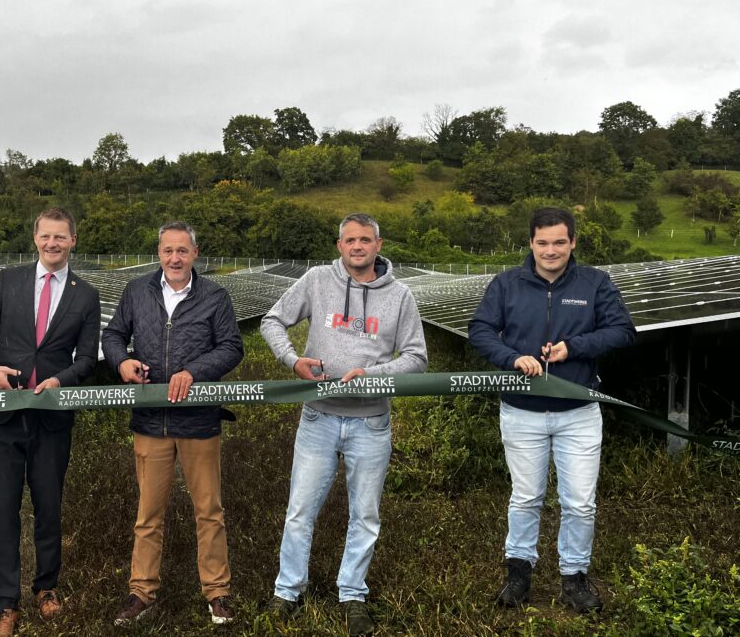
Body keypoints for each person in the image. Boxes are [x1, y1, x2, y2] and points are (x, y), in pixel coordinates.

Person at [259, 212, 428, 636]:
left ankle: (352, 594)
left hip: (371, 423)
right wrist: (292, 359)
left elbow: (417, 356)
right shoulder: (317, 280)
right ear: (339, 245)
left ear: (378, 244)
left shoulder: (401, 296)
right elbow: (272, 320)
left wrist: (375, 375)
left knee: (365, 514)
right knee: (300, 509)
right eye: (350, 240)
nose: (357, 246)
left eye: (365, 240)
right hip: (319, 417)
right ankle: (288, 590)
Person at [468, 207, 635, 613]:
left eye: (560, 241)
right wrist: (512, 358)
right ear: (530, 243)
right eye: (542, 242)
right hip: (521, 411)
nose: (551, 250)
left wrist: (574, 347)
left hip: (578, 411)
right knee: (526, 497)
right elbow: (481, 330)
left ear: (573, 242)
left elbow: (622, 330)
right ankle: (518, 573)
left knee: (579, 502)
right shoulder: (506, 284)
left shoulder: (596, 283)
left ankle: (574, 577)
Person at [0, 207, 101, 635]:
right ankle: (6, 604)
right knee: (3, 508)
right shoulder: (9, 281)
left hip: (52, 419)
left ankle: (46, 588)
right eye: (46, 236)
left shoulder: (86, 294)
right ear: (35, 238)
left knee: (48, 505)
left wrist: (62, 379)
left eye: (61, 237)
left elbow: (86, 359)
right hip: (5, 416)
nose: (52, 244)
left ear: (73, 241)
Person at [101, 221, 244, 626]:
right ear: (159, 253)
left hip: (199, 421)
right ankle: (141, 593)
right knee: (148, 513)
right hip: (151, 421)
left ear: (195, 254)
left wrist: (194, 371)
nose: (175, 258)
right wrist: (122, 361)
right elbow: (113, 335)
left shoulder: (215, 296)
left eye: (182, 251)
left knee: (209, 511)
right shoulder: (136, 292)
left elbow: (232, 346)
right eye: (168, 251)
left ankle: (217, 593)